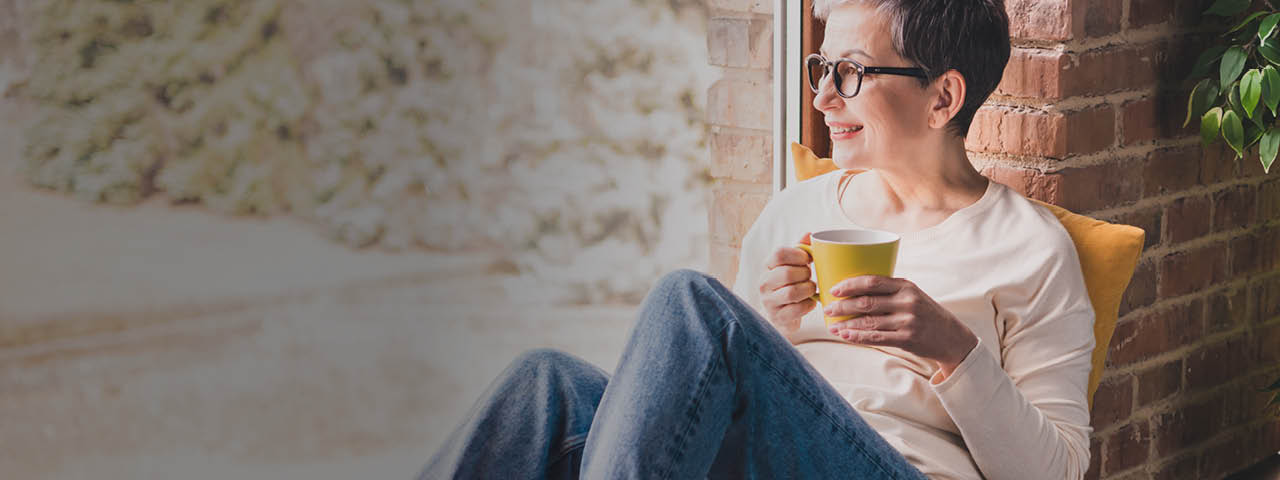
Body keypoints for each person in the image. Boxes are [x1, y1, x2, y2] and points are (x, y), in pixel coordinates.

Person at [421, 0, 1096, 478]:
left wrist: (951, 350)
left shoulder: (1029, 248)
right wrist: (770, 328)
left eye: (852, 73)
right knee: (548, 386)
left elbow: (1056, 470)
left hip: (897, 466)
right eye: (821, 69)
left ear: (943, 99)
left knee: (691, 301)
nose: (825, 99)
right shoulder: (796, 211)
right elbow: (709, 404)